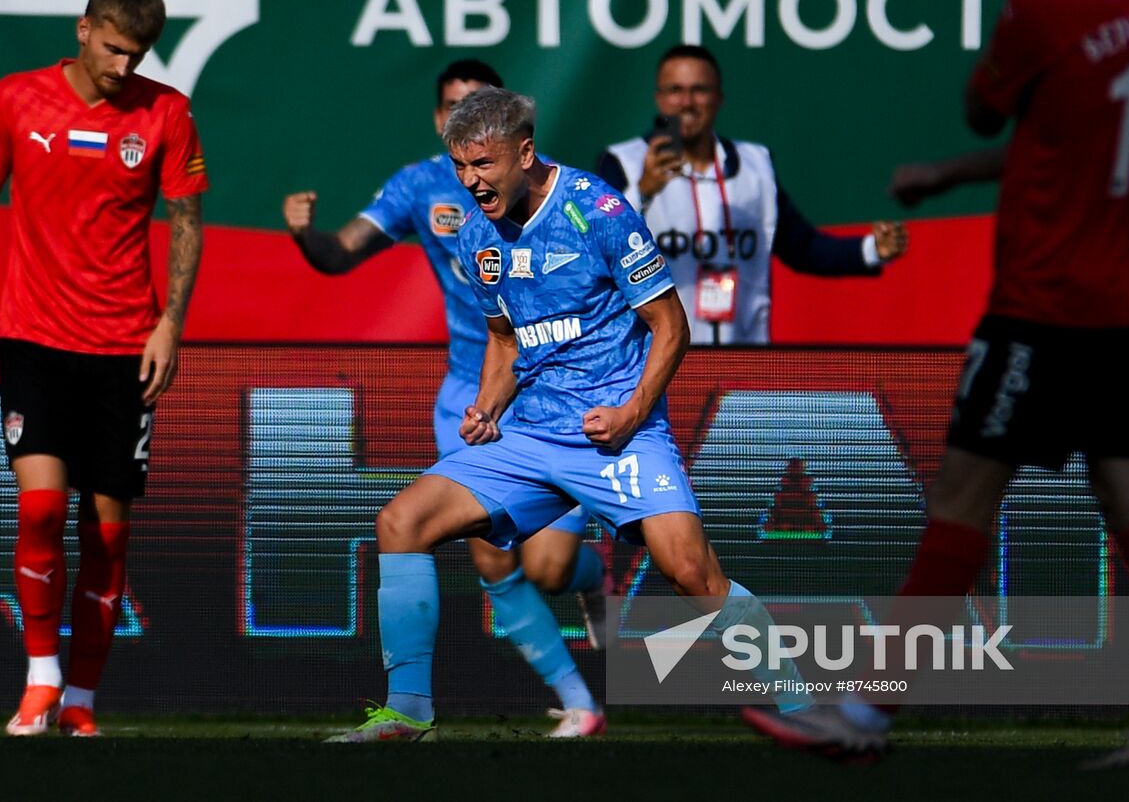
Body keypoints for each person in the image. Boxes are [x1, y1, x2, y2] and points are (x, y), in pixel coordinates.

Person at [743, 0, 1129, 768]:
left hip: (1042, 308)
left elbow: (983, 109)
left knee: (961, 497)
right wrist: (949, 177)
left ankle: (862, 713)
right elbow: (1068, 145)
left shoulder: (1049, 7)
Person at [329, 87, 811, 743]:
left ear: (524, 152)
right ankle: (409, 711)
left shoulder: (598, 210)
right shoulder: (474, 236)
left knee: (692, 574)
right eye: (461, 168)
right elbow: (504, 337)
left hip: (616, 433)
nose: (471, 182)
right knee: (401, 522)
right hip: (530, 435)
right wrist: (488, 406)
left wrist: (633, 412)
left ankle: (804, 703)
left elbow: (670, 323)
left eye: (484, 165)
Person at [282, 61, 609, 738]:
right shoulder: (420, 186)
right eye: (453, 109)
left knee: (549, 567)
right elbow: (341, 254)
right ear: (439, 122)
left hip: (548, 391)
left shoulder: (549, 188)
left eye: (480, 107)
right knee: (482, 551)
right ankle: (576, 704)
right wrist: (304, 236)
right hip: (472, 390)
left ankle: (590, 572)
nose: (465, 120)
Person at [0, 0, 207, 738]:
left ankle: (84, 704)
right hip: (31, 335)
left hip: (124, 348)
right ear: (83, 28)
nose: (125, 65)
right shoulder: (14, 98)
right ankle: (39, 681)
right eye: (116, 47)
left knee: (106, 532)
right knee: (38, 508)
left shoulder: (167, 112)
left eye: (140, 53)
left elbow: (188, 220)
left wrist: (170, 325)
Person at [595, 45, 908, 345]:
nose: (687, 102)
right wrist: (642, 192)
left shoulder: (756, 165)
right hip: (657, 360)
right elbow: (597, 249)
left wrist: (871, 249)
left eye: (699, 90)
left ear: (719, 98)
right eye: (675, 90)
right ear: (659, 98)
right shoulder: (625, 162)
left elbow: (802, 247)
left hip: (742, 359)